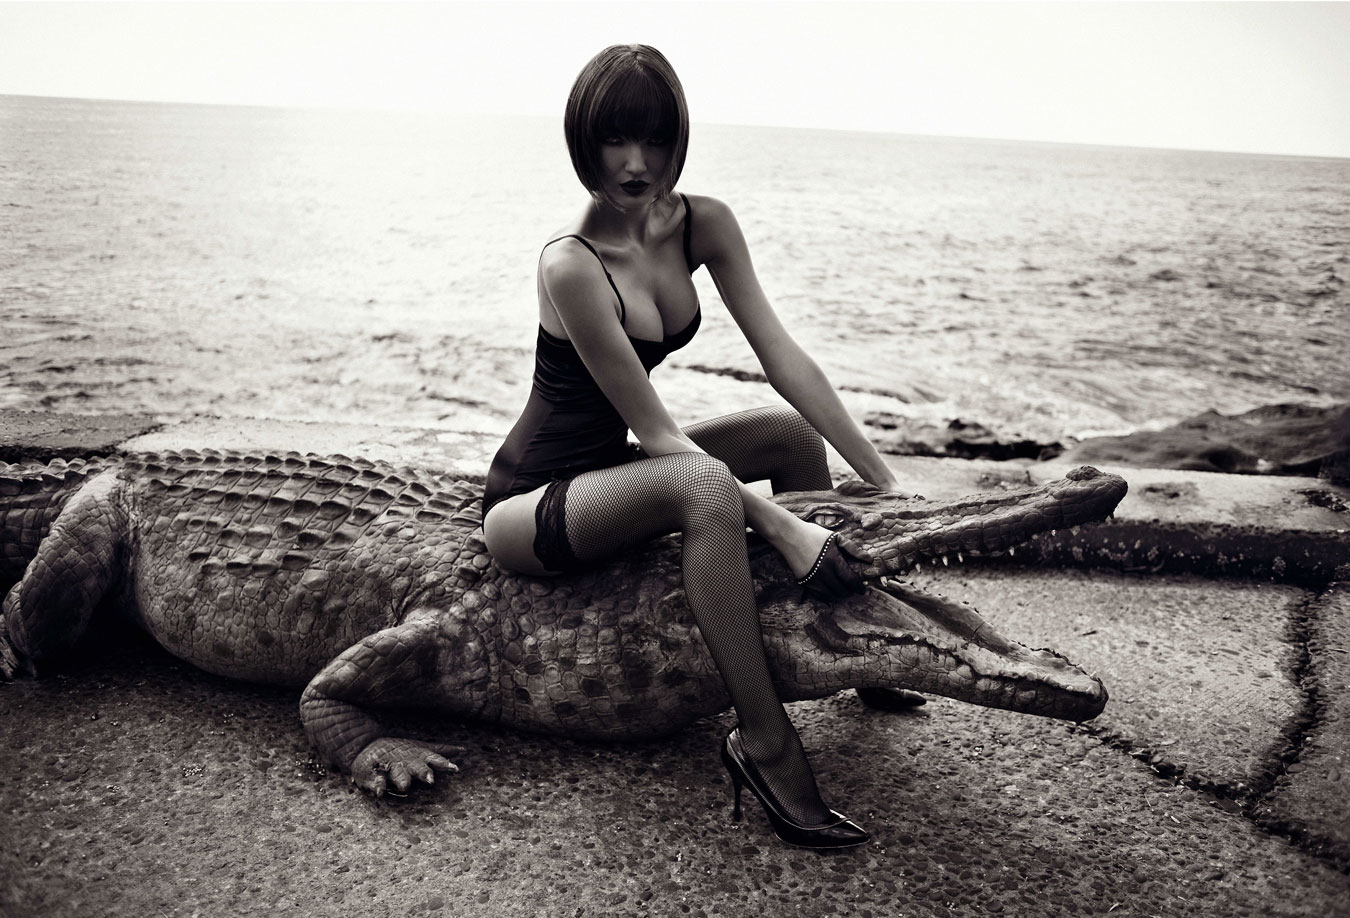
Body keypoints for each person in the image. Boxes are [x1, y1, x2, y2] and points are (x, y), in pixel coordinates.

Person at [481, 44, 901, 850]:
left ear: (677, 136)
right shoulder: (570, 264)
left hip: (616, 471)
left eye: (653, 138)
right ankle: (766, 745)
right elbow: (661, 435)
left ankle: (861, 655)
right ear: (583, 141)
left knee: (787, 436)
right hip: (532, 502)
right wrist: (785, 527)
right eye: (613, 140)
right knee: (706, 485)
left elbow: (781, 357)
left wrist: (879, 478)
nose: (636, 163)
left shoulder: (702, 222)